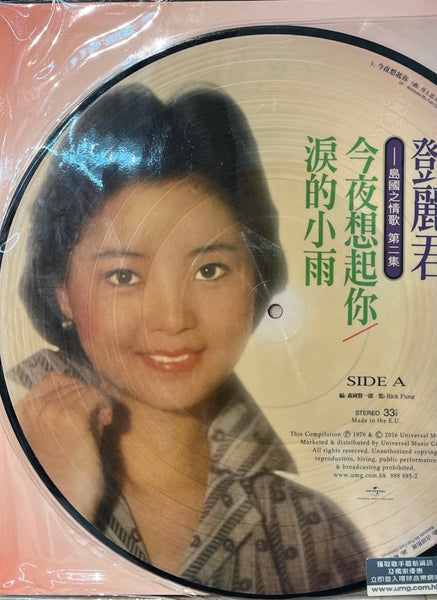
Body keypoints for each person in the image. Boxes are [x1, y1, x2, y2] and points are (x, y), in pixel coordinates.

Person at [10, 84, 367, 595]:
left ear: (255, 279)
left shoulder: (319, 534)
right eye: (123, 276)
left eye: (210, 269)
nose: (173, 319)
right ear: (61, 292)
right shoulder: (8, 467)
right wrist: (50, 504)